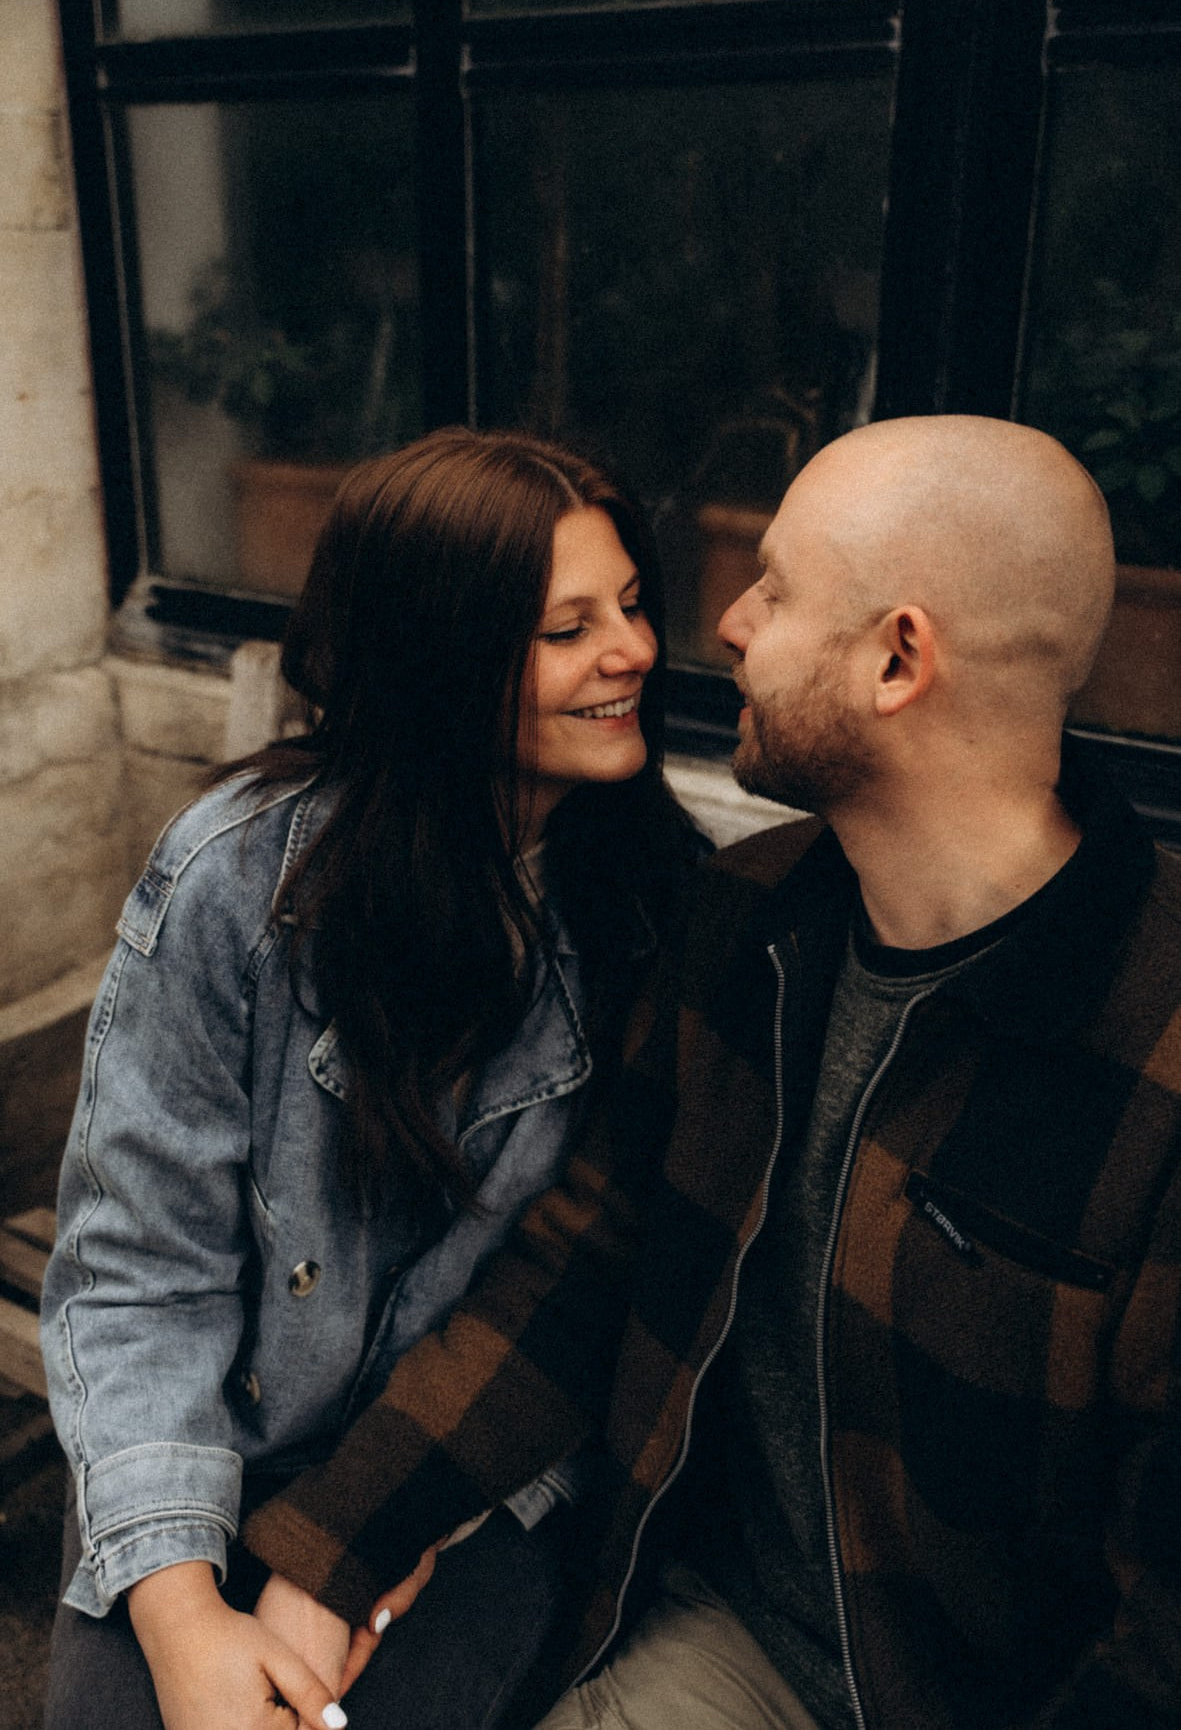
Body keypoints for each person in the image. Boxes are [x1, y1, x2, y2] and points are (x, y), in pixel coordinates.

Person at [233, 415, 1181, 1730]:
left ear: (897, 657)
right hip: (739, 1650)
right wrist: (323, 1557)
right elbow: (576, 1275)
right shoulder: (745, 925)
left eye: (776, 588)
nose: (725, 621)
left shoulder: (1154, 1053)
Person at [39, 425, 702, 1730]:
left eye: (629, 607)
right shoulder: (239, 881)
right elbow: (134, 1269)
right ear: (440, 658)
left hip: (475, 1472)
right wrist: (181, 1621)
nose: (631, 650)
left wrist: (372, 1541)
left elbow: (569, 1304)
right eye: (567, 628)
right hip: (207, 1438)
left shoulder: (648, 910)